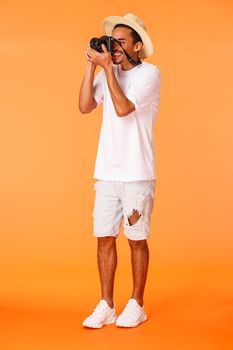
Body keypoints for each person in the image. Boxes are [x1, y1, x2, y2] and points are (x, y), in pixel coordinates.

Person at [79, 13, 161, 328]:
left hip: (137, 172)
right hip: (108, 172)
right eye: (112, 41)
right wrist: (91, 64)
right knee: (103, 237)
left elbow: (124, 108)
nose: (114, 47)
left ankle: (137, 304)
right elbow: (85, 106)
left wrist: (107, 70)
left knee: (136, 239)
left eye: (121, 41)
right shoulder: (106, 71)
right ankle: (106, 304)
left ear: (137, 47)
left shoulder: (148, 74)